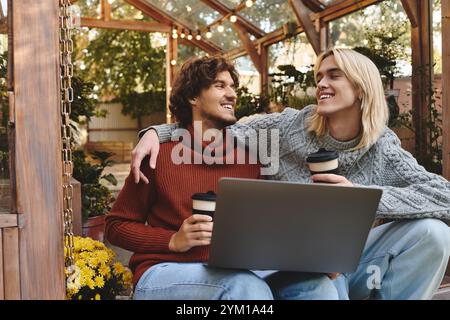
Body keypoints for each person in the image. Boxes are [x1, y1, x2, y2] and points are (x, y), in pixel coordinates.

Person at [132, 48, 450, 300]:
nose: (322, 84)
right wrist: (157, 132)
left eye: (334, 76)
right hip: (299, 264)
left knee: (434, 234)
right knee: (319, 289)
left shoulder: (382, 146)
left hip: (350, 260)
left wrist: (362, 197)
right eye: (319, 76)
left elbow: (443, 195)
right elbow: (213, 127)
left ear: (361, 86)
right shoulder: (287, 128)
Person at [105, 56, 342, 300]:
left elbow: (264, 230)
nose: (232, 94)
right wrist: (173, 240)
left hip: (234, 271)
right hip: (164, 270)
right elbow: (116, 226)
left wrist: (310, 257)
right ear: (193, 97)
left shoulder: (251, 157)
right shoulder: (158, 154)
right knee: (245, 288)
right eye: (220, 86)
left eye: (232, 87)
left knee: (317, 287)